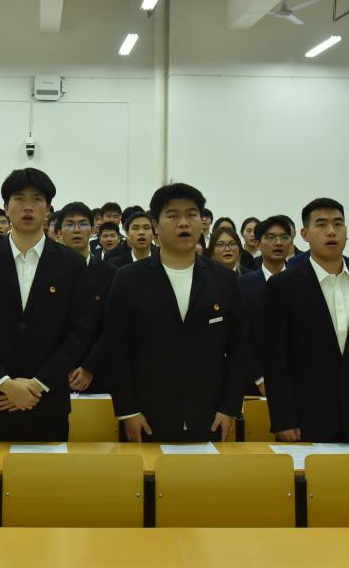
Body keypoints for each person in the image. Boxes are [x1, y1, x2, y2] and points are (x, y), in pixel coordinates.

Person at [106, 183, 248, 442]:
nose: (184, 223)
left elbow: (239, 349)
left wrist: (229, 407)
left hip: (210, 416)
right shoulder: (128, 279)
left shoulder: (224, 279)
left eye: (191, 215)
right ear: (156, 225)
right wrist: (128, 411)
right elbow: (116, 349)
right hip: (146, 417)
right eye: (173, 216)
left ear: (201, 222)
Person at [0, 168, 90, 442]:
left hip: (48, 401)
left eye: (37, 199)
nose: (28, 206)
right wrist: (5, 384)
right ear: (6, 207)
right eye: (19, 198)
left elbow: (78, 333)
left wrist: (37, 385)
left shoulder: (72, 264)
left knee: (47, 471)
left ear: (49, 209)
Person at [264, 198, 349, 444]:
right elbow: (276, 359)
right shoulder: (283, 286)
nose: (331, 231)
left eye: (338, 224)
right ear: (305, 234)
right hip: (304, 419)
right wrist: (283, 419)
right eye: (321, 224)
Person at [57, 202, 117, 394]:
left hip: (99, 371)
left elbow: (114, 326)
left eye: (83, 224)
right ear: (59, 233)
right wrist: (60, 367)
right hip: (54, 373)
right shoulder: (47, 274)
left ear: (92, 230)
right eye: (69, 224)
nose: (76, 230)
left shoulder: (111, 274)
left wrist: (90, 366)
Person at [238, 215, 292, 397]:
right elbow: (240, 336)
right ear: (258, 244)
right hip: (254, 384)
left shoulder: (304, 282)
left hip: (298, 382)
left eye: (284, 237)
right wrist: (260, 379)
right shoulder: (243, 285)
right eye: (271, 237)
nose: (278, 243)